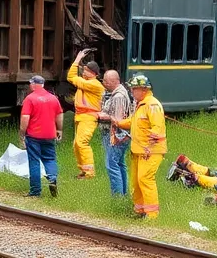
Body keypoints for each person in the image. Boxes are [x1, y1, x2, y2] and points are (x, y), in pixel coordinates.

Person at [112, 74, 167, 219]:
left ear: (143, 89)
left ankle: (152, 214)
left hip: (150, 151)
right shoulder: (141, 104)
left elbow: (157, 128)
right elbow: (133, 122)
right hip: (138, 151)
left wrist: (149, 145)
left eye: (133, 89)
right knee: (136, 181)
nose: (131, 92)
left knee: (145, 179)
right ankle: (140, 211)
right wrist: (118, 122)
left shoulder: (152, 105)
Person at [19, 75, 62, 198]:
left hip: (34, 136)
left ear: (33, 84)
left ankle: (35, 191)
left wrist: (22, 133)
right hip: (49, 135)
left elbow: (25, 118)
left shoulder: (30, 98)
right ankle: (52, 179)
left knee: (34, 162)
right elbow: (59, 114)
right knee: (50, 159)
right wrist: (59, 129)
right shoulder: (53, 98)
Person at [67, 49, 105, 179]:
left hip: (88, 117)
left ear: (92, 73)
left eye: (85, 70)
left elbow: (71, 77)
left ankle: (89, 173)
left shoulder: (94, 85)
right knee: (77, 144)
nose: (83, 71)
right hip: (81, 117)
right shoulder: (87, 82)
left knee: (81, 143)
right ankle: (83, 170)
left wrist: (77, 60)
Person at [96, 69, 131, 197]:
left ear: (113, 81)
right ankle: (123, 194)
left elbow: (118, 120)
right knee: (120, 164)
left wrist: (103, 116)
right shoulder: (114, 94)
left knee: (111, 164)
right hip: (120, 135)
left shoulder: (119, 96)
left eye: (105, 81)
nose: (103, 83)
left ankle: (117, 197)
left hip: (116, 136)